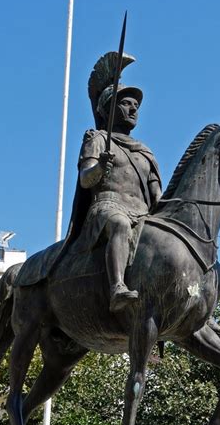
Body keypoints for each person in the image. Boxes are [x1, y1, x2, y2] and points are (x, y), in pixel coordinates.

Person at [65, 80, 162, 313]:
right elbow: (85, 179)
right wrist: (100, 166)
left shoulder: (144, 152)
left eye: (136, 105)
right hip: (107, 207)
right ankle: (117, 286)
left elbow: (157, 196)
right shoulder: (97, 139)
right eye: (126, 103)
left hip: (143, 213)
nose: (133, 109)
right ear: (108, 110)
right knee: (119, 224)